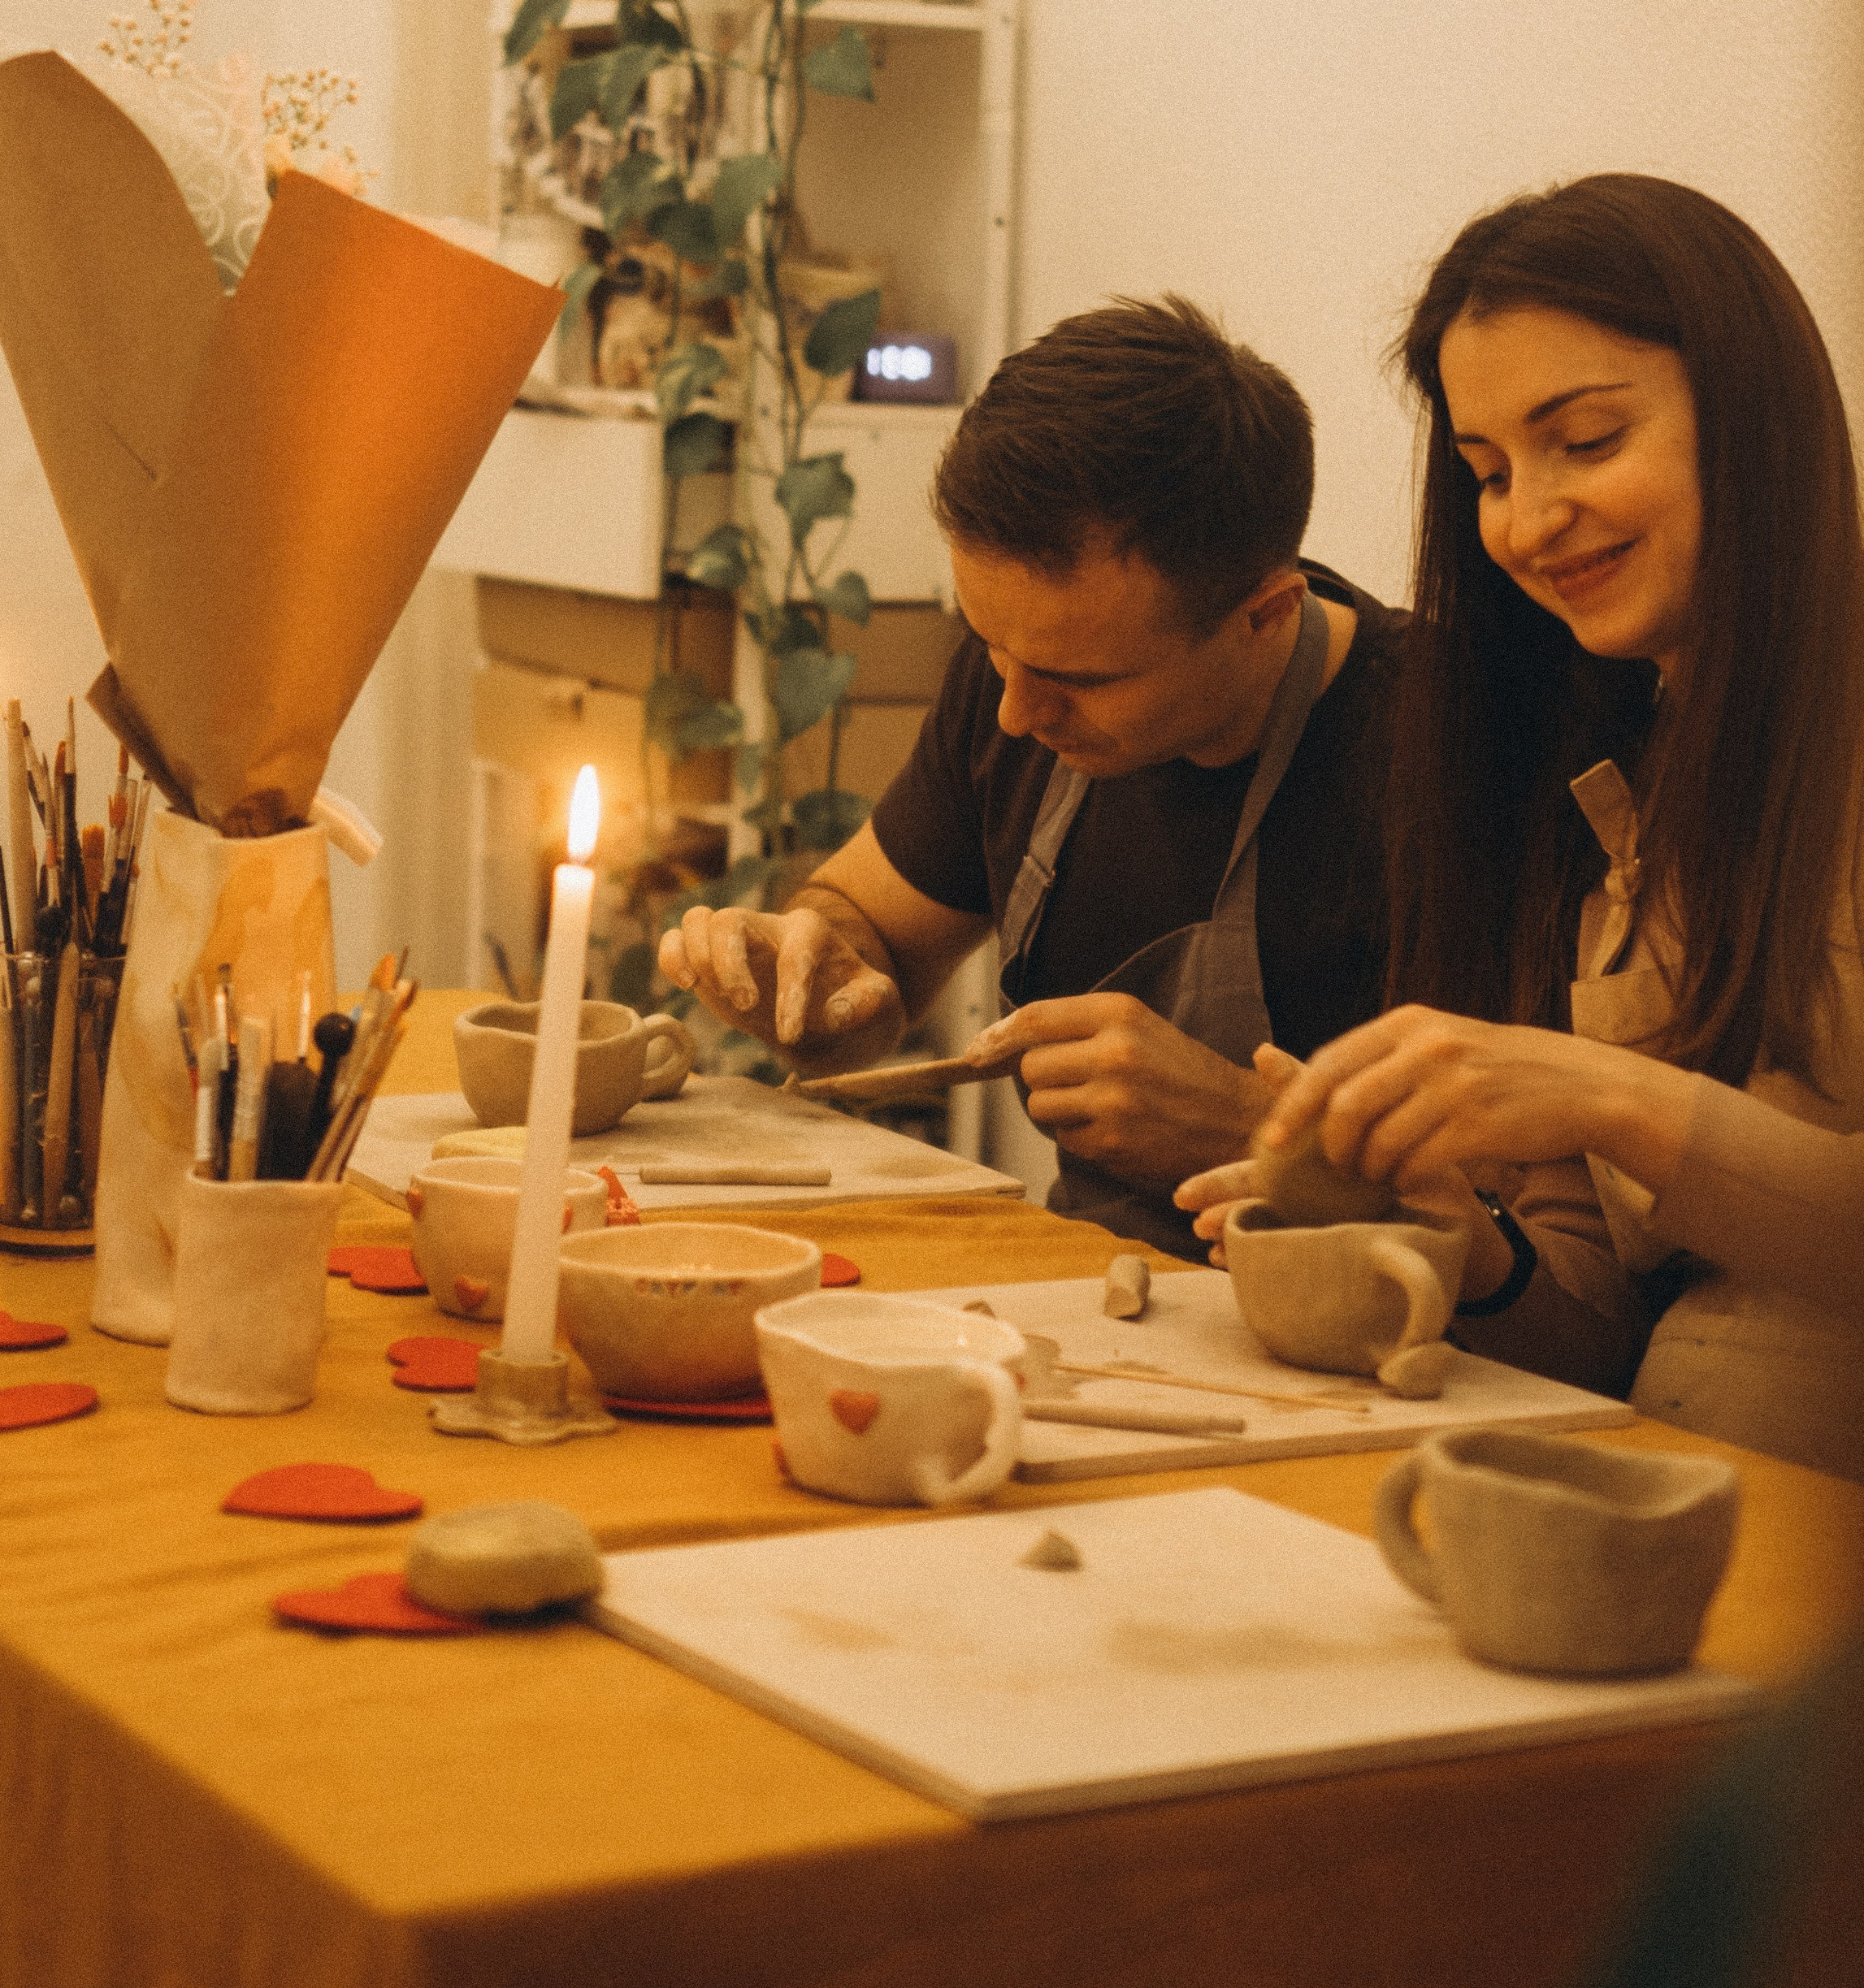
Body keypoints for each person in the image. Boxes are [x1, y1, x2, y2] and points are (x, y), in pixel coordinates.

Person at [1177, 175, 1864, 1478]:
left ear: (1756, 421)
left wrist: (1609, 1097)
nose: (1528, 520)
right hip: (1647, 1487)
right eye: (1487, 473)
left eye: (1590, 441)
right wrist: (1462, 1239)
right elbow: (1596, 1332)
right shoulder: (1594, 778)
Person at [659, 296, 1407, 1253]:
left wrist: (1249, 1127)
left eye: (1079, 680)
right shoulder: (1020, 664)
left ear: (1265, 614)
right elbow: (874, 934)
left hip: (1361, 1342)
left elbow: (1545, 1236)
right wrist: (817, 972)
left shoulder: (1432, 749)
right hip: (1098, 1289)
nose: (1016, 712)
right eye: (990, 647)